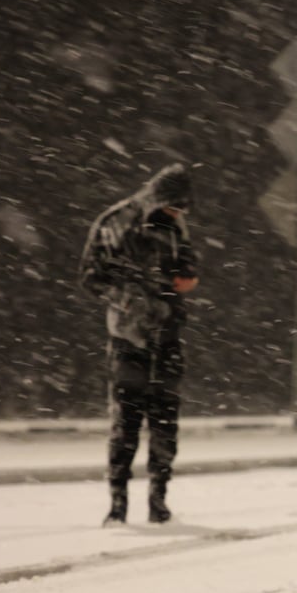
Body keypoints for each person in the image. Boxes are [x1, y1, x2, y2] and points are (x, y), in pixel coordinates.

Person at [79, 163, 199, 526]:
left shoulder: (174, 224)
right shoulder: (114, 222)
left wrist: (184, 281)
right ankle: (118, 504)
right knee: (126, 421)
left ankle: (158, 500)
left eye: (182, 210)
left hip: (167, 334)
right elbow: (89, 276)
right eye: (175, 208)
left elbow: (188, 269)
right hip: (128, 337)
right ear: (159, 198)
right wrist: (130, 299)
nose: (179, 216)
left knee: (165, 422)